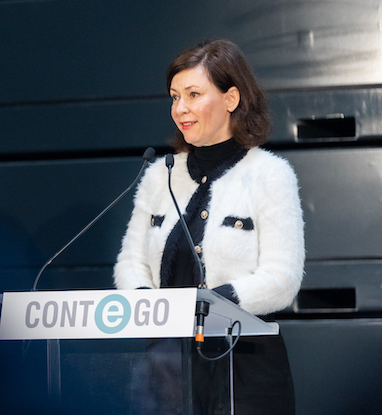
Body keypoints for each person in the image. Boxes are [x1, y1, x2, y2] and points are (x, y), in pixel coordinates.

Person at [113, 39, 305, 414]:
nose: (180, 108)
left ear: (231, 98)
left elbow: (282, 279)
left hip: (244, 370)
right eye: (174, 97)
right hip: (167, 370)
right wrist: (147, 303)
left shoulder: (270, 174)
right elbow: (130, 262)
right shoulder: (158, 175)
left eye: (193, 94)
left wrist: (209, 306)